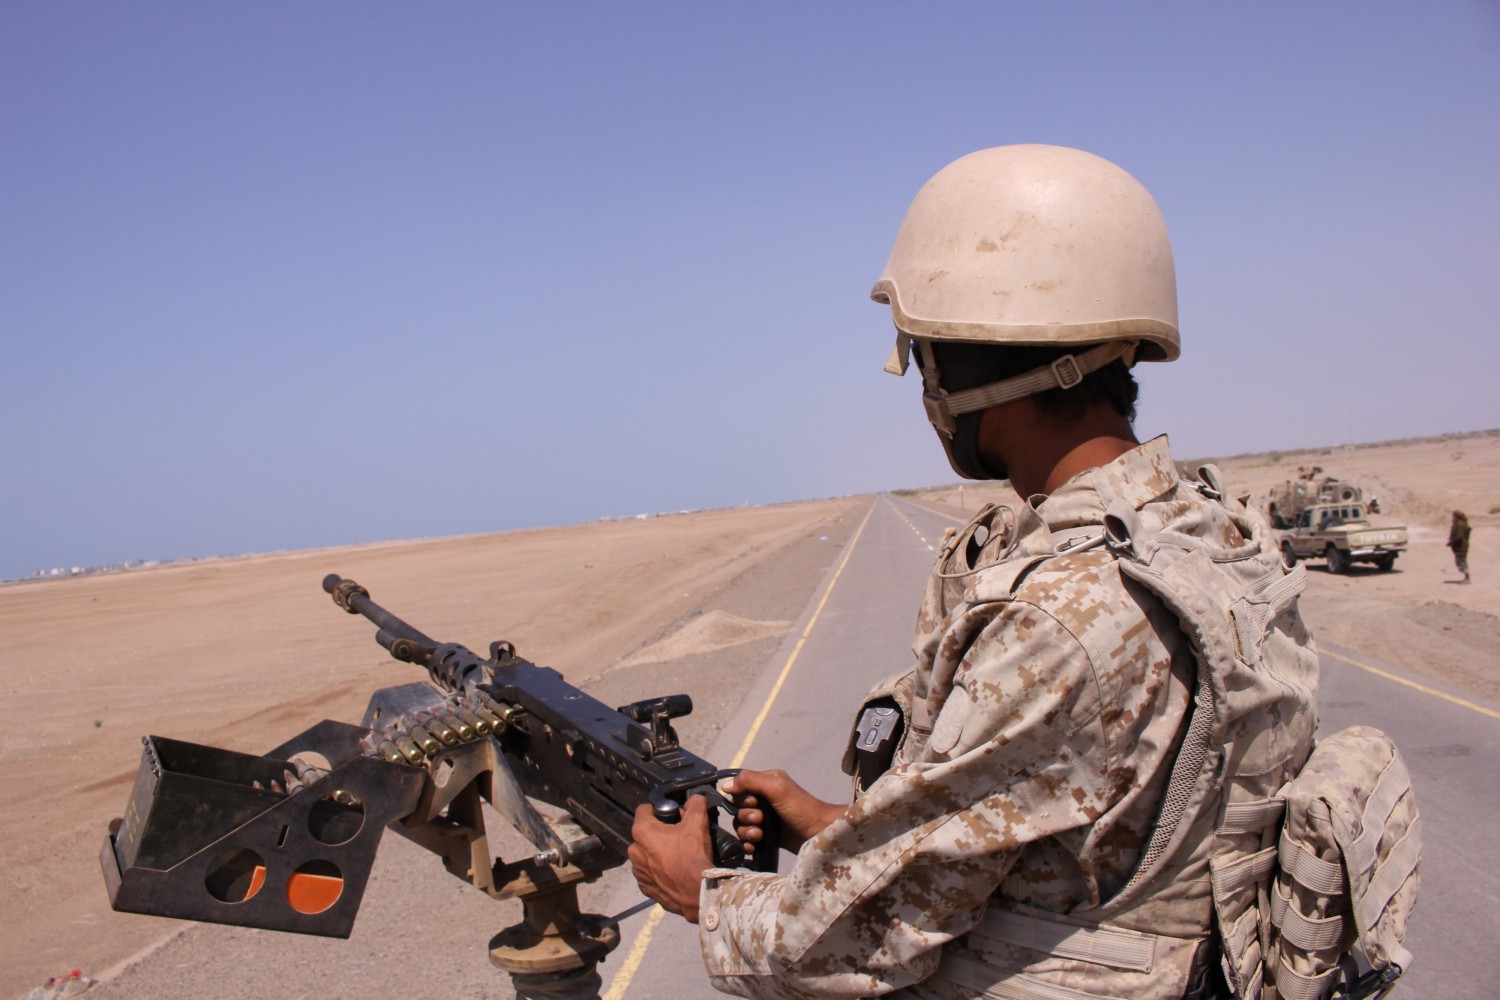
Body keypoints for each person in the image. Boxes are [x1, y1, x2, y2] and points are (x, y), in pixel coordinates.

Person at [629, 145, 1321, 999]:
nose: (924, 388)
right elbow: (1086, 831)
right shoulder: (1217, 532)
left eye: (927, 357)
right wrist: (843, 827)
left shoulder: (1061, 614)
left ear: (982, 357)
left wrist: (701, 892)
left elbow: (848, 945)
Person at [1449, 510, 1471, 583]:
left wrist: (1452, 541)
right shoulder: (1460, 524)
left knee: (1461, 562)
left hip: (1461, 546)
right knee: (1460, 561)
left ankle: (1467, 578)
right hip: (1460, 546)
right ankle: (1466, 577)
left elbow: (1459, 536)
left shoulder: (1460, 525)